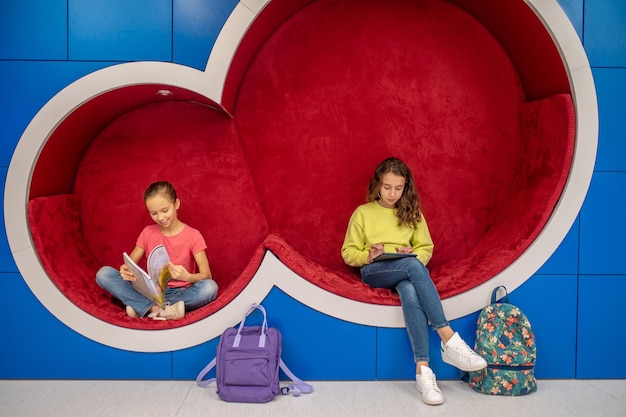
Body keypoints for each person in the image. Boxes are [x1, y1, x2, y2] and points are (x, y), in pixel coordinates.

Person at [341, 157, 486, 405]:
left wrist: (413, 255)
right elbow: (348, 253)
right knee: (412, 267)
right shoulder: (363, 213)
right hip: (374, 270)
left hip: (405, 269)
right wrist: (369, 254)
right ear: (378, 184)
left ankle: (423, 372)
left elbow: (425, 248)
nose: (392, 193)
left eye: (398, 188)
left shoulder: (412, 213)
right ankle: (449, 339)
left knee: (409, 290)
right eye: (387, 187)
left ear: (406, 186)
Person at [96, 181, 218, 321]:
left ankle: (143, 306)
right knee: (104, 273)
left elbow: (207, 275)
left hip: (182, 292)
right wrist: (125, 270)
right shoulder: (147, 232)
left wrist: (188, 277)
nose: (160, 218)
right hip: (151, 291)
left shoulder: (193, 235)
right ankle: (157, 309)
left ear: (176, 204)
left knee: (210, 288)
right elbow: (130, 264)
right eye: (153, 213)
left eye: (165, 210)